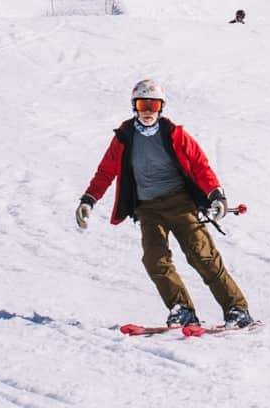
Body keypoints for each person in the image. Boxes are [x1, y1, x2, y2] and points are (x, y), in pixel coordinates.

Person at [76, 78, 253, 329]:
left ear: (161, 107)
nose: (147, 111)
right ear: (134, 106)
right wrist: (88, 200)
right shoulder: (124, 138)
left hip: (180, 202)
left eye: (153, 105)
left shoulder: (175, 135)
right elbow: (105, 172)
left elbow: (200, 166)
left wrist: (216, 195)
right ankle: (182, 309)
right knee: (154, 260)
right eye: (142, 104)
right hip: (148, 209)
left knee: (203, 256)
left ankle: (237, 309)